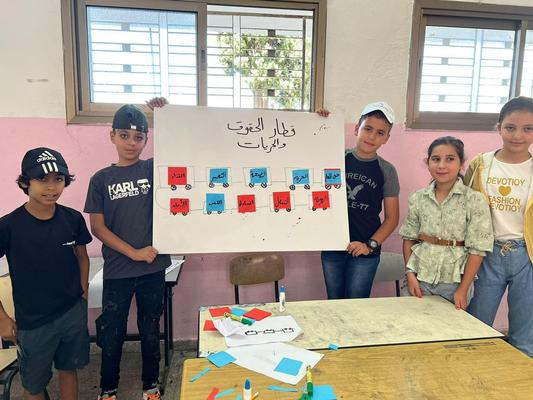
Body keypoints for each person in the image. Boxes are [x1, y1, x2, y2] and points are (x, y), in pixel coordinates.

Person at [84, 100, 171, 400]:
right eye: (124, 135)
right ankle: (108, 389)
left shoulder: (153, 169)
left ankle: (151, 386)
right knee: (112, 332)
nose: (131, 143)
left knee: (150, 330)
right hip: (119, 270)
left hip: (152, 268)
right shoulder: (100, 180)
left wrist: (164, 114)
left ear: (146, 139)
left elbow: (180, 149)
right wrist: (133, 252)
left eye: (138, 137)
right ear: (112, 136)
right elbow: (98, 228)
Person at [0, 147, 92, 400]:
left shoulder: (72, 219)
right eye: (42, 179)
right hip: (33, 322)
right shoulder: (8, 226)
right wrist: (2, 318)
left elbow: (82, 256)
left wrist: (83, 292)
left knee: (69, 368)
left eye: (58, 179)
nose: (51, 187)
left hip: (71, 312)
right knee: (34, 383)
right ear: (25, 182)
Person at [465, 96, 533, 357]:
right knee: (476, 324)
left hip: (527, 255)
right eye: (510, 127)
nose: (518, 136)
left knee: (524, 334)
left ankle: (521, 376)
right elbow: (465, 206)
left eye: (528, 129)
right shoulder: (481, 164)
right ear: (499, 127)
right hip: (486, 253)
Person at [399, 137, 493, 309]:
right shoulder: (418, 198)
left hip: (454, 283)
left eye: (450, 159)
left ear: (461, 164)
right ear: (427, 162)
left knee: (449, 326)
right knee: (413, 323)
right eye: (436, 159)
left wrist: (463, 289)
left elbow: (478, 249)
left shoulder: (474, 200)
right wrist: (409, 274)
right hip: (419, 278)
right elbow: (409, 237)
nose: (441, 165)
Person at [318, 102, 400, 299]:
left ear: (386, 138)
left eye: (380, 133)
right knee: (334, 302)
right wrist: (319, 122)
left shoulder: (387, 170)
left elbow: (392, 218)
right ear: (356, 129)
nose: (372, 136)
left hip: (365, 252)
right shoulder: (336, 159)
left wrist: (369, 245)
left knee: (357, 305)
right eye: (368, 129)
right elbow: (311, 153)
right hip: (333, 247)